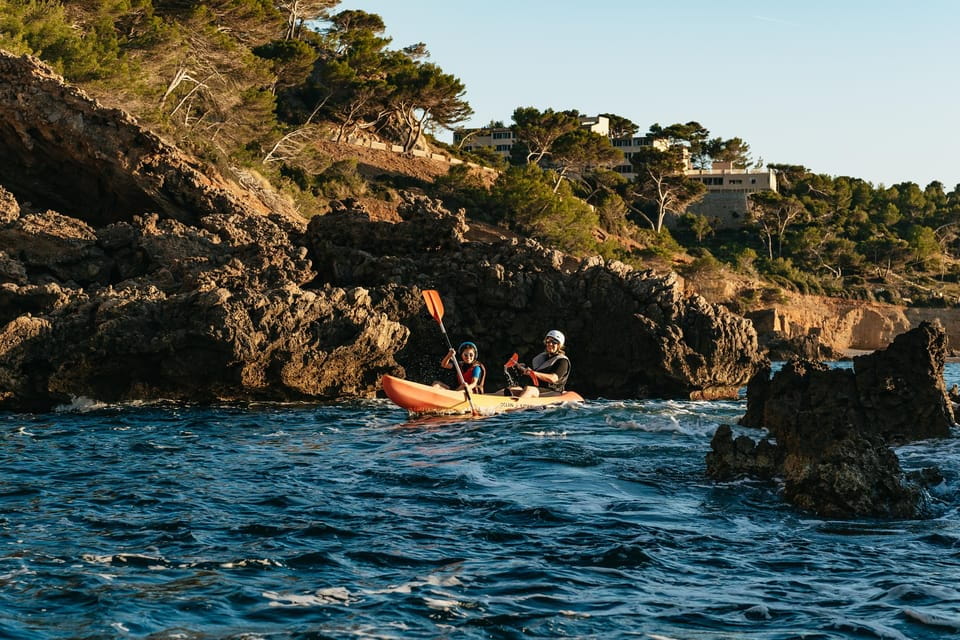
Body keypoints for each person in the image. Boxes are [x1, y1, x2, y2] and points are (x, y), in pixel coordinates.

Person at [507, 330, 570, 399]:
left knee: (529, 389)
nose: (550, 344)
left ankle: (515, 407)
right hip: (536, 390)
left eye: (554, 342)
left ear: (559, 345)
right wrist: (522, 368)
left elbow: (553, 378)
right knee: (512, 389)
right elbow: (529, 370)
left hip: (553, 392)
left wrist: (534, 373)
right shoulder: (541, 358)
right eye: (548, 341)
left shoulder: (562, 361)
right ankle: (494, 401)